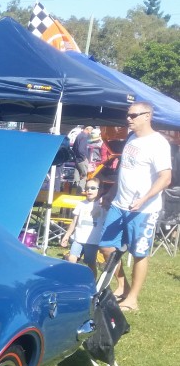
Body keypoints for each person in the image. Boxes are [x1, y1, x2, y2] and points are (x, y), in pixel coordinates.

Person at [99, 102, 173, 313]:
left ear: (147, 116)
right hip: (119, 204)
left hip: (143, 210)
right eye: (128, 115)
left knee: (140, 253)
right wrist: (111, 193)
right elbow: (125, 171)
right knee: (106, 247)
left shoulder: (158, 143)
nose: (128, 119)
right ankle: (122, 287)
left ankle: (132, 299)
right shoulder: (132, 138)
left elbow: (165, 178)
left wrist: (144, 199)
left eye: (133, 115)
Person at [59, 178, 105, 277]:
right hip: (78, 239)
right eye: (87, 188)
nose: (89, 190)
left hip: (93, 241)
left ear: (100, 190)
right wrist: (67, 235)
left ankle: (92, 282)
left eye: (93, 188)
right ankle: (72, 279)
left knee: (91, 264)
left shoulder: (103, 206)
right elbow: (74, 222)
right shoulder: (81, 204)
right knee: (72, 259)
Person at [71, 125, 92, 195]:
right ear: (88, 129)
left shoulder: (79, 135)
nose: (91, 132)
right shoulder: (84, 136)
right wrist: (84, 157)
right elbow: (80, 149)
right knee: (84, 175)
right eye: (91, 130)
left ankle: (73, 192)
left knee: (76, 176)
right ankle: (79, 193)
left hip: (77, 159)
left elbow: (74, 148)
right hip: (82, 160)